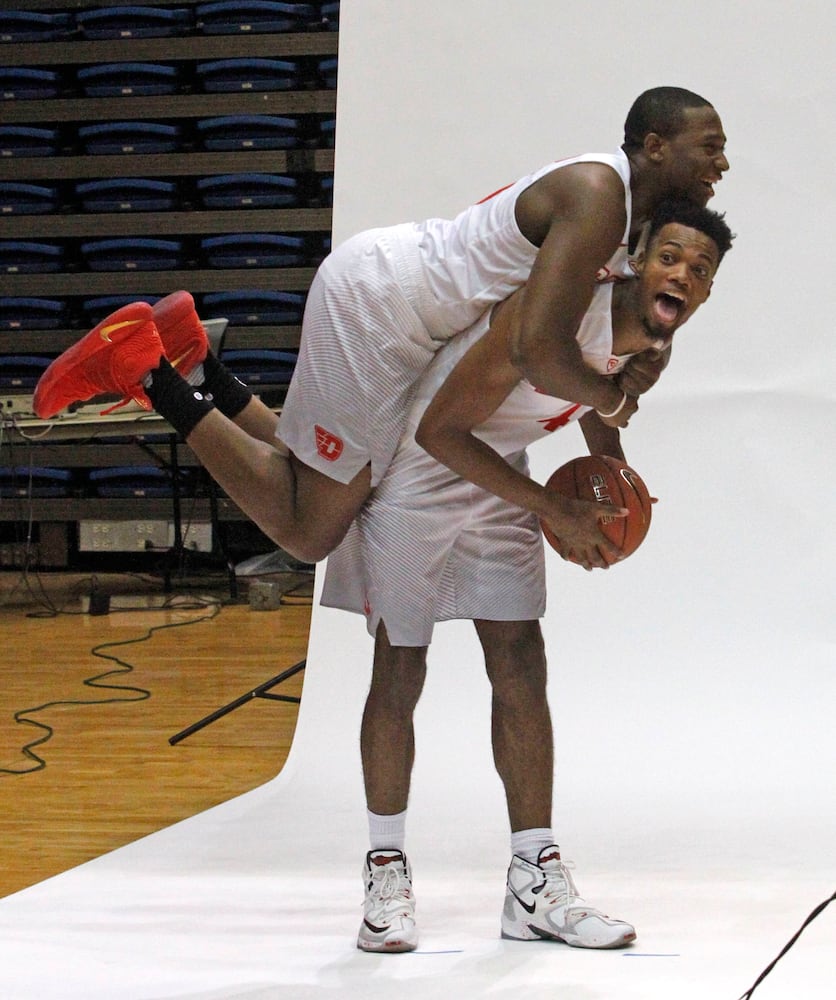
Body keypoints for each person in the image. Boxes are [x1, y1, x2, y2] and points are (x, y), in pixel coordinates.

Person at [33, 87, 729, 566]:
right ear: (655, 145)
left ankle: (196, 361)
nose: (721, 164)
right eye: (710, 147)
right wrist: (611, 401)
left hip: (408, 320)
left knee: (325, 477)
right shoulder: (599, 196)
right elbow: (539, 351)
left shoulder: (632, 221)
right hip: (382, 307)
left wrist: (612, 466)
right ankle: (148, 372)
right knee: (310, 529)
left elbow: (577, 351)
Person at [320, 199, 734, 952]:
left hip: (498, 473)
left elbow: (592, 398)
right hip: (421, 469)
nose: (683, 273)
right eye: (670, 256)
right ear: (636, 260)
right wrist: (556, 509)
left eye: (700, 269)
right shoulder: (563, 308)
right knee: (401, 666)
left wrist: (612, 483)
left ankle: (533, 882)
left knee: (520, 662)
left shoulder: (651, 345)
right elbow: (439, 430)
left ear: (706, 293)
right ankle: (386, 870)